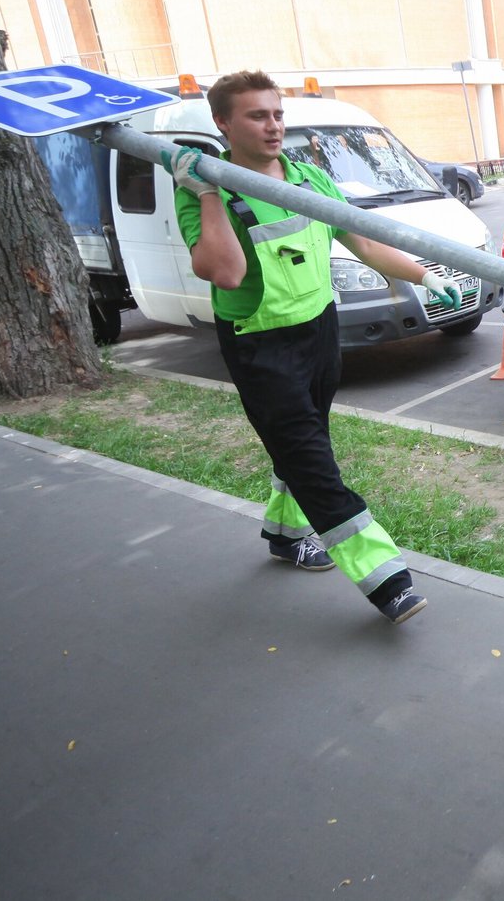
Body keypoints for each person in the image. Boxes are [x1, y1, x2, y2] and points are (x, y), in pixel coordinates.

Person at [164, 70, 460, 625]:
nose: (273, 125)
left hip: (319, 330)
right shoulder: (203, 192)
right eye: (257, 115)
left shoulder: (308, 179)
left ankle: (284, 535)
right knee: (312, 460)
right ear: (223, 123)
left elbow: (367, 244)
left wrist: (424, 275)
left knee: (304, 442)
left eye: (277, 113)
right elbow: (224, 273)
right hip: (259, 344)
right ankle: (385, 579)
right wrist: (206, 191)